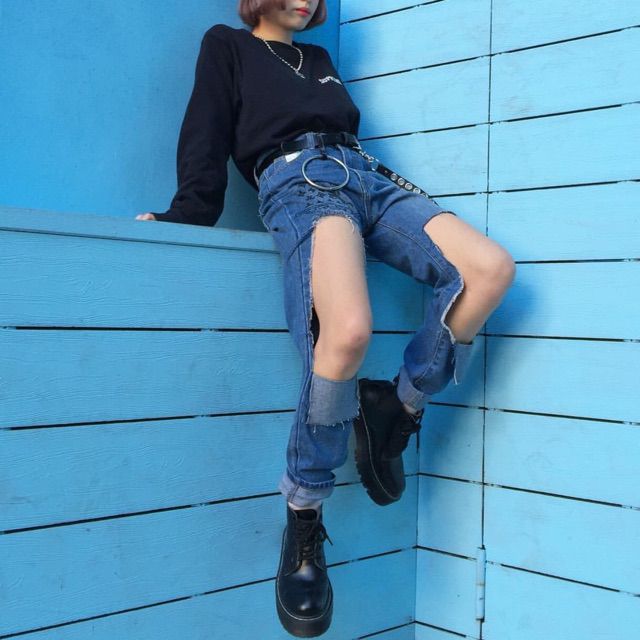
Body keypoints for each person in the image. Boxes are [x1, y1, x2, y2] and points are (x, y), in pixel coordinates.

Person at [137, 1, 515, 636]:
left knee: (490, 269)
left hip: (369, 180)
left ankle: (398, 405)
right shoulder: (227, 44)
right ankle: (304, 514)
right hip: (301, 182)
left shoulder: (317, 58)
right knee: (346, 332)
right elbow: (206, 129)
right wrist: (188, 213)